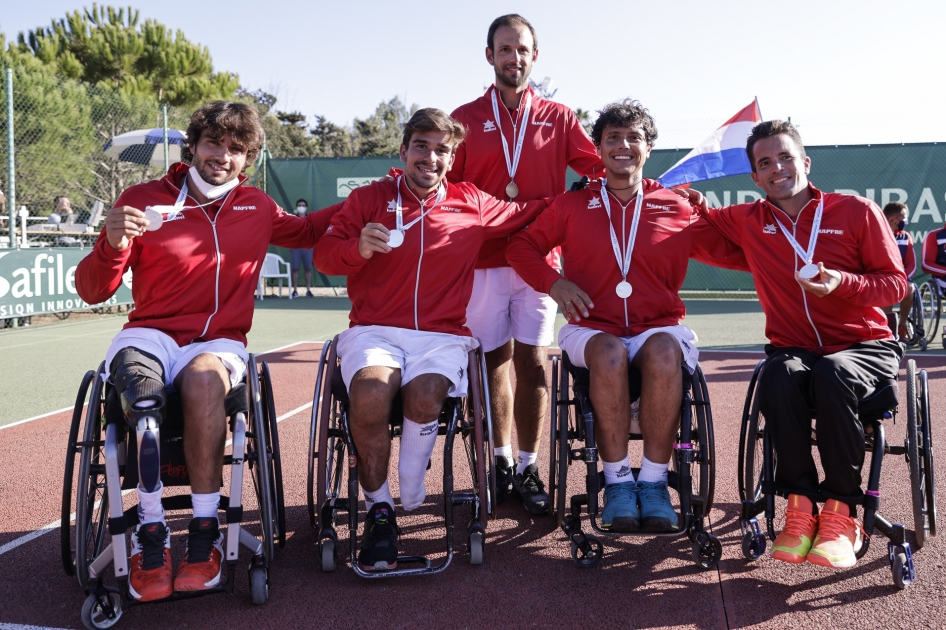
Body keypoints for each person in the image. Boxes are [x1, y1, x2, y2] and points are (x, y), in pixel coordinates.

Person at [76, 101, 339, 602]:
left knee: (202, 381)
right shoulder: (144, 200)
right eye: (214, 143)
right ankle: (149, 534)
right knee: (145, 399)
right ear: (194, 146)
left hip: (218, 342)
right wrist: (110, 243)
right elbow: (92, 290)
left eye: (236, 149)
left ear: (248, 159)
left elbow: (307, 232)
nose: (223, 155)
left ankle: (203, 533)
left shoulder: (256, 206)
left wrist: (371, 196)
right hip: (149, 334)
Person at [314, 108, 547, 571]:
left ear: (452, 157)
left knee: (425, 396)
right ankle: (381, 511)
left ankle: (411, 481)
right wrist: (356, 249)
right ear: (403, 151)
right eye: (422, 146)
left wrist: (589, 192)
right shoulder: (368, 199)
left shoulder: (473, 202)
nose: (431, 157)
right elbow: (324, 255)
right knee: (369, 391)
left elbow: (531, 211)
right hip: (374, 329)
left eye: (443, 149)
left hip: (440, 336)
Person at [506, 100, 746, 531]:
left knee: (664, 353)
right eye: (612, 137)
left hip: (658, 324)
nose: (623, 145)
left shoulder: (676, 206)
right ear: (597, 148)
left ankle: (652, 483)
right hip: (591, 329)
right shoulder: (572, 204)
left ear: (649, 148)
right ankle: (617, 482)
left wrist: (708, 213)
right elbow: (520, 247)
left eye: (633, 137)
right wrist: (553, 283)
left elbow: (736, 254)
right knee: (611, 353)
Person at [688, 120, 906, 568]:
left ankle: (842, 513)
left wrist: (842, 284)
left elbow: (896, 285)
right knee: (779, 376)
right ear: (754, 177)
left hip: (864, 346)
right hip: (794, 348)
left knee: (833, 373)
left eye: (785, 157)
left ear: (805, 162)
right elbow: (698, 217)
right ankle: (800, 508)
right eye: (765, 163)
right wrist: (662, 190)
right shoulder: (748, 220)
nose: (777, 168)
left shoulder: (857, 210)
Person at [448, 14, 603, 514]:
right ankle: (499, 461)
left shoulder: (558, 116)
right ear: (489, 55)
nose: (514, 57)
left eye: (523, 49)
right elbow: (443, 182)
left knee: (532, 361)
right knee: (491, 359)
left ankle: (530, 461)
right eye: (505, 49)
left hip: (539, 258)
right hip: (483, 258)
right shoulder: (465, 117)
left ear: (534, 57)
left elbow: (600, 167)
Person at [880, 202, 916, 340]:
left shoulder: (905, 237)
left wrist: (901, 279)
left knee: (910, 288)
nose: (906, 221)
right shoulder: (874, 233)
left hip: (900, 279)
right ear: (893, 220)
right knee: (886, 289)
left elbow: (911, 264)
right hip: (880, 279)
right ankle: (886, 329)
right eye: (904, 218)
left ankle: (901, 326)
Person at [290, 198, 316, 297]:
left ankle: (308, 290)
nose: (301, 207)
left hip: (307, 247)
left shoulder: (310, 219)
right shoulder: (292, 219)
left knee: (308, 268)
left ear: (306, 207)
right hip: (295, 247)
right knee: (295, 268)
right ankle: (295, 291)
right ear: (297, 207)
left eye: (303, 205)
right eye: (300, 205)